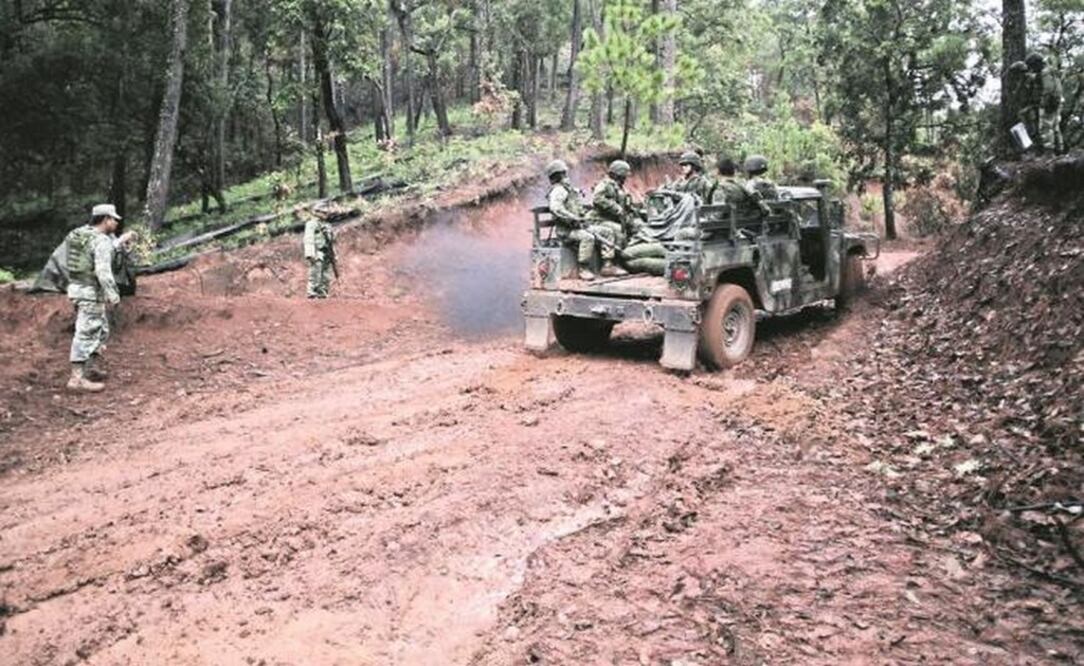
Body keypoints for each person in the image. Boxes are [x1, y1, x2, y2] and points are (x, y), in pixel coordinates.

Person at [64, 204, 123, 391]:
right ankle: (76, 379)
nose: (116, 222)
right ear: (105, 219)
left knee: (101, 329)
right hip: (90, 292)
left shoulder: (78, 234)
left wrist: (119, 243)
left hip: (77, 288)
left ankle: (91, 368)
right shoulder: (102, 241)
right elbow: (103, 271)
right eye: (114, 219)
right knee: (86, 332)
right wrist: (113, 295)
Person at [545, 159, 624, 280]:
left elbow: (576, 207)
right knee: (588, 237)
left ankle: (607, 266)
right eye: (563, 173)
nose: (566, 175)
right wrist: (573, 218)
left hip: (578, 226)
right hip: (566, 231)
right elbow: (556, 209)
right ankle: (583, 268)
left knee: (607, 231)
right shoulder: (558, 191)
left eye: (565, 173)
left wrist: (583, 216)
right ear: (558, 175)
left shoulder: (569, 190)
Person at [589, 159, 640, 248]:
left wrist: (635, 211)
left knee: (637, 227)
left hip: (615, 219)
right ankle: (613, 258)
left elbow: (625, 204)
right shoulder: (605, 184)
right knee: (619, 231)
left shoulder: (620, 188)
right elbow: (597, 199)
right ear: (617, 175)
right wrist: (616, 208)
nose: (625, 179)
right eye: (623, 176)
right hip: (600, 219)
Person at [1024, 52, 1064, 155]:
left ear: (1036, 64)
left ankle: (1049, 152)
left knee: (1045, 128)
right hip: (1057, 101)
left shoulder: (1045, 73)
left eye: (1032, 66)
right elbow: (1038, 78)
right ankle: (1059, 149)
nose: (1032, 68)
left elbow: (1048, 89)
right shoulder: (1050, 71)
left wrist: (1043, 103)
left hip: (1049, 103)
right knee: (1055, 127)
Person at [303, 212, 336, 298]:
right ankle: (312, 292)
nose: (325, 213)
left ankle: (323, 292)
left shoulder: (328, 225)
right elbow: (308, 238)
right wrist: (310, 253)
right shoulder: (312, 224)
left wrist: (334, 255)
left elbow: (331, 242)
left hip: (327, 252)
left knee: (326, 275)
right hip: (317, 251)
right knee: (315, 272)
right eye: (323, 212)